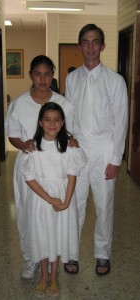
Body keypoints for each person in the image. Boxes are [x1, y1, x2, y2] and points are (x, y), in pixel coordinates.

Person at [65, 24, 128, 276]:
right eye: (85, 42)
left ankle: (102, 254)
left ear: (102, 46)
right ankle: (71, 252)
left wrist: (115, 159)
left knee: (104, 205)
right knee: (74, 204)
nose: (90, 47)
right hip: (78, 147)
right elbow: (68, 117)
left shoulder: (115, 81)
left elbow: (121, 121)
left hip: (104, 148)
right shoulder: (72, 79)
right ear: (80, 46)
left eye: (95, 42)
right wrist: (68, 148)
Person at [5, 55, 76, 279]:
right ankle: (30, 258)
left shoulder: (63, 103)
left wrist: (74, 141)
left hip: (55, 171)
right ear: (30, 76)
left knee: (51, 216)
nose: (43, 79)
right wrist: (24, 145)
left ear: (52, 75)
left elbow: (71, 132)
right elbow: (13, 135)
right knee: (28, 214)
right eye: (38, 73)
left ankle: (53, 256)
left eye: (47, 74)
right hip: (30, 168)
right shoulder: (19, 103)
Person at [17, 102, 86, 297]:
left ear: (63, 122)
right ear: (40, 122)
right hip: (40, 200)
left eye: (57, 120)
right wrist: (49, 198)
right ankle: (43, 276)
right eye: (47, 120)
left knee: (57, 237)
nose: (52, 124)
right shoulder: (32, 149)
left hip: (63, 200)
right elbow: (29, 178)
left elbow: (73, 175)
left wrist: (65, 202)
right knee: (42, 237)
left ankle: (54, 275)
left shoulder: (69, 147)